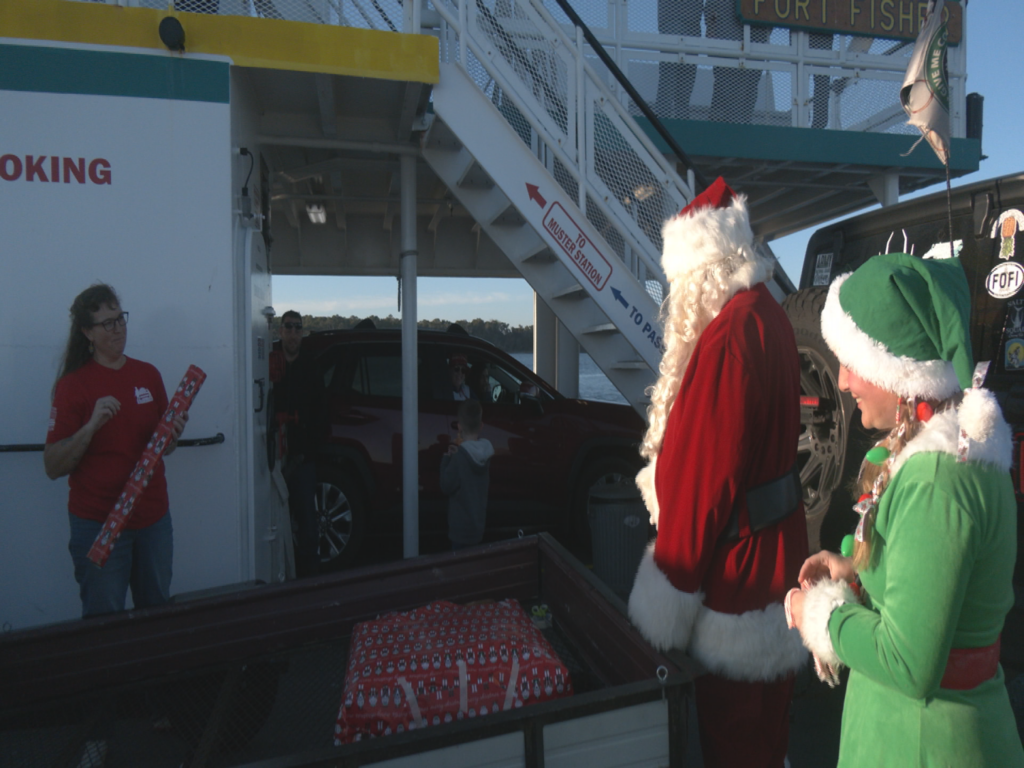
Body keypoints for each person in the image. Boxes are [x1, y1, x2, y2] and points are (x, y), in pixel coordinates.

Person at [787, 253, 1024, 767]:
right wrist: (859, 571)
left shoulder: (936, 479)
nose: (842, 382)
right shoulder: (954, 455)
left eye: (853, 363)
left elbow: (909, 661)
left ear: (896, 370)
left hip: (924, 745)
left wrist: (819, 615)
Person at [627, 177, 808, 768]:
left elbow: (702, 486)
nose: (677, 301)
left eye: (679, 284)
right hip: (779, 566)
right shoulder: (771, 316)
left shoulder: (728, 336)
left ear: (699, 272)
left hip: (737, 582)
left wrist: (666, 595)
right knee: (770, 740)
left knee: (734, 745)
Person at [45, 283, 187, 617]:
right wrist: (91, 426)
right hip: (99, 523)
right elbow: (52, 466)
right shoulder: (73, 386)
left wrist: (173, 437)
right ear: (87, 332)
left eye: (120, 318)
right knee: (104, 622)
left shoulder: (147, 374)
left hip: (152, 521)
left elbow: (164, 448)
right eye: (107, 323)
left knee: (156, 613)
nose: (118, 328)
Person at [276, 310, 326, 578]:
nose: (293, 333)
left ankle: (310, 581)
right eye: (289, 327)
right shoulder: (269, 363)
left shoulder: (311, 367)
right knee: (274, 521)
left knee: (307, 521)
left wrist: (309, 452)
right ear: (280, 331)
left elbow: (322, 414)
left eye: (298, 328)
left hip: (302, 458)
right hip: (272, 460)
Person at [440, 400, 494, 550]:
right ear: (481, 426)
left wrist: (447, 459)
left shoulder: (458, 458)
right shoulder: (486, 455)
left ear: (459, 427)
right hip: (477, 529)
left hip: (460, 532)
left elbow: (445, 485)